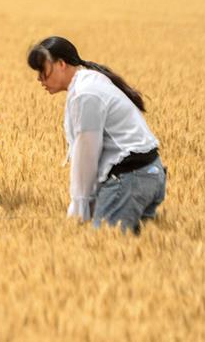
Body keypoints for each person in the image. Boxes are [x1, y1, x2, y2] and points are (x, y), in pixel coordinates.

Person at [27, 36, 165, 234]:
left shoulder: (85, 93)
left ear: (61, 64)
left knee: (105, 246)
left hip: (130, 179)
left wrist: (80, 205)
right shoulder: (90, 81)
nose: (39, 79)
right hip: (148, 173)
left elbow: (86, 155)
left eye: (42, 71)